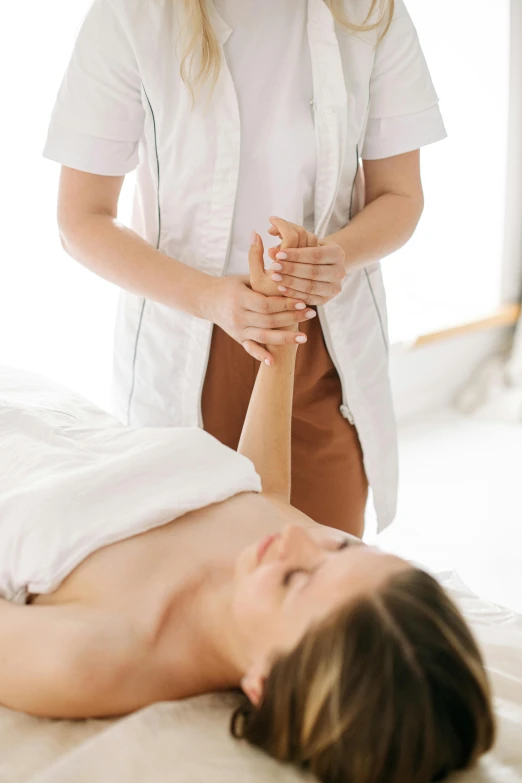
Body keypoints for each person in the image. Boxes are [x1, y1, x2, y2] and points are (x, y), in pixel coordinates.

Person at [0, 235, 494, 783]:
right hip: (39, 404)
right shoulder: (282, 550)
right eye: (340, 546)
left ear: (263, 682)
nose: (300, 539)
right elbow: (263, 494)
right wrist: (278, 333)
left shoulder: (95, 657)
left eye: (296, 581)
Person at [43, 0, 448, 537]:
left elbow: (401, 196)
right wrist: (211, 298)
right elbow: (81, 221)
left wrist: (339, 255)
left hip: (322, 352)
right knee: (204, 574)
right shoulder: (130, 16)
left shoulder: (371, 13)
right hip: (192, 349)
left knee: (324, 579)